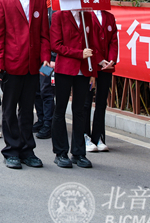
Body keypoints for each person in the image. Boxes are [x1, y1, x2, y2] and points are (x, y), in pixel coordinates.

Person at [0, 0, 51, 169]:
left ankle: (27, 150)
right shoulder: (2, 1)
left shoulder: (39, 1)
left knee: (27, 110)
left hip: (32, 64)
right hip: (10, 63)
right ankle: (11, 150)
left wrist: (45, 57)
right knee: (9, 110)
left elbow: (44, 33)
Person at [50, 9, 99, 168]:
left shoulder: (88, 16)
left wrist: (93, 72)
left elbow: (92, 45)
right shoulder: (59, 15)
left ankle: (78, 153)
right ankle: (60, 152)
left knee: (80, 111)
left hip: (84, 70)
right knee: (60, 110)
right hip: (64, 69)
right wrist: (79, 53)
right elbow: (55, 45)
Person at [84, 9, 118, 153]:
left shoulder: (109, 17)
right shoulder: (85, 14)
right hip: (90, 66)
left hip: (106, 68)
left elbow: (113, 40)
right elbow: (85, 40)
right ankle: (84, 136)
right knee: (85, 101)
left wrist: (111, 59)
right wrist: (98, 60)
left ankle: (98, 137)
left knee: (101, 102)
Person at [29, 0, 55, 140]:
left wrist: (53, 57)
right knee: (36, 90)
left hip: (49, 59)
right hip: (34, 58)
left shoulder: (53, 10)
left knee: (46, 90)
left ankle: (48, 124)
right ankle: (41, 119)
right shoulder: (31, 8)